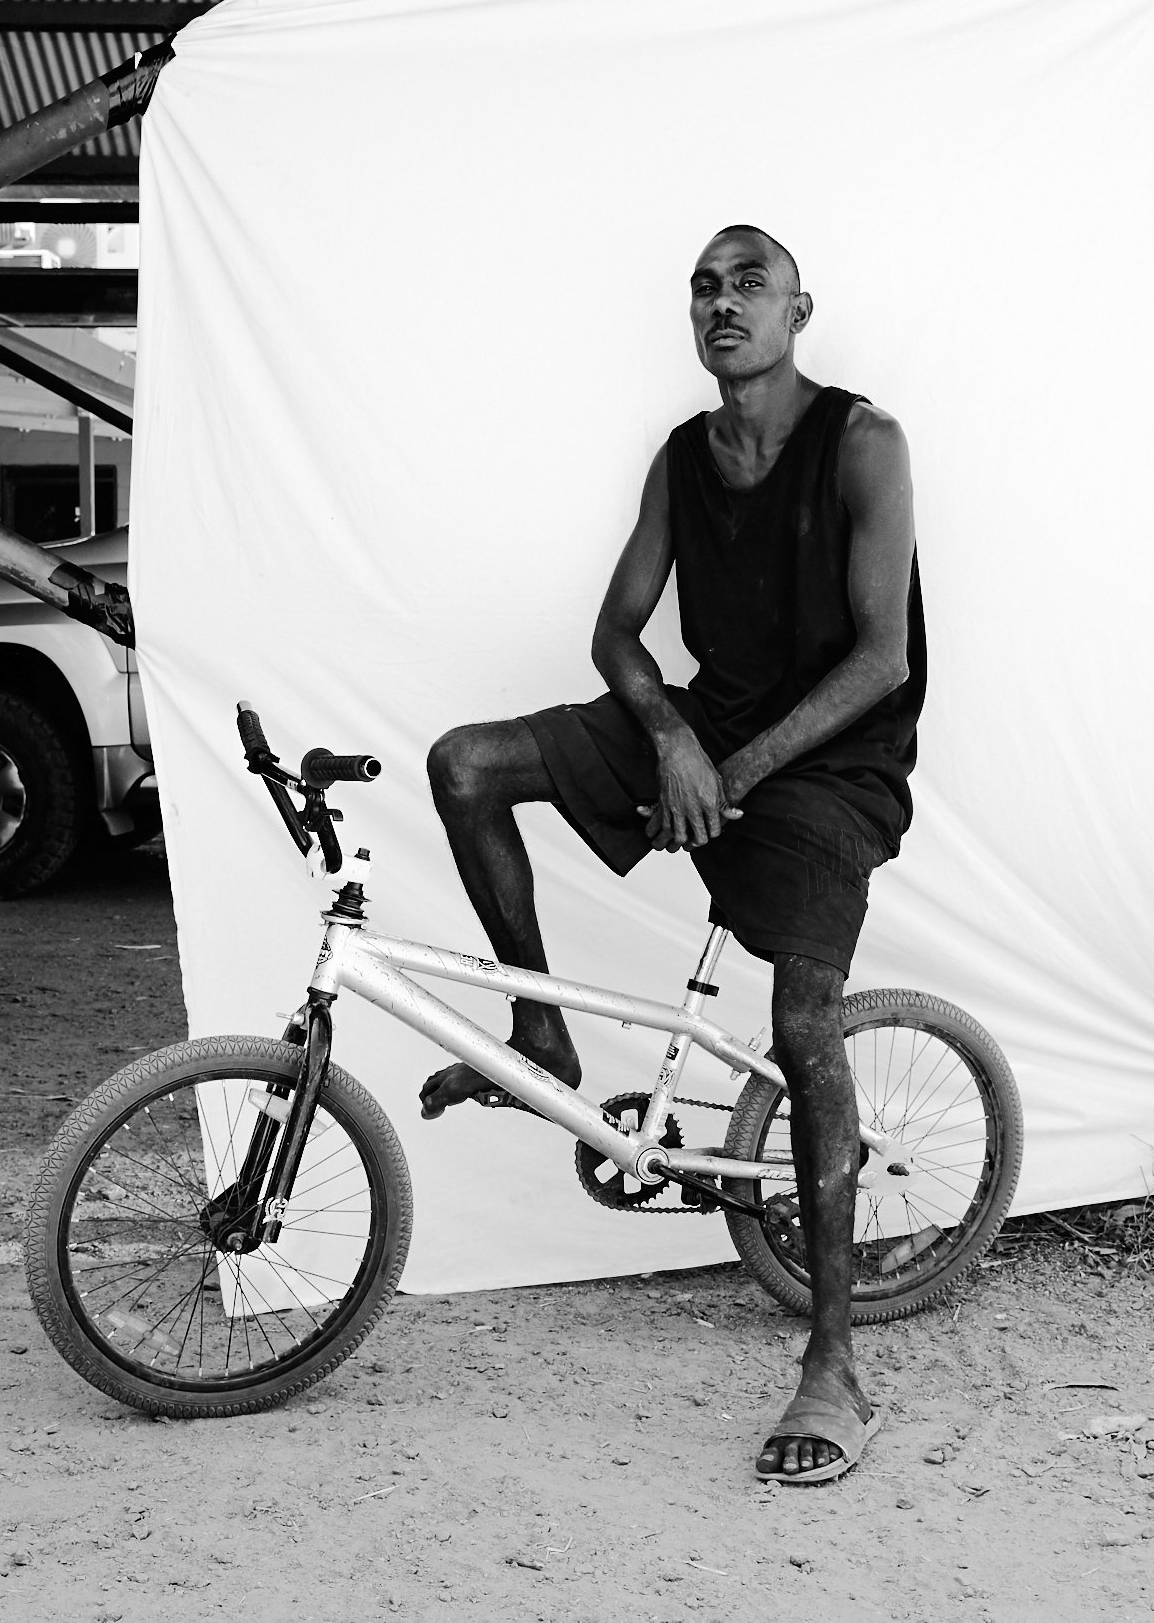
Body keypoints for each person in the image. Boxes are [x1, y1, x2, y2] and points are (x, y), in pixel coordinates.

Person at [421, 224, 924, 1482]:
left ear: (801, 309)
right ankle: (543, 1029)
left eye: (748, 282)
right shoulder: (681, 457)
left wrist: (736, 773)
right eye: (702, 284)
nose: (721, 301)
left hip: (835, 758)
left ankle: (834, 1362)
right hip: (713, 728)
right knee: (466, 763)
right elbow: (617, 630)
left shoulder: (864, 443)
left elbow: (882, 659)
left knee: (804, 1019)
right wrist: (673, 739)